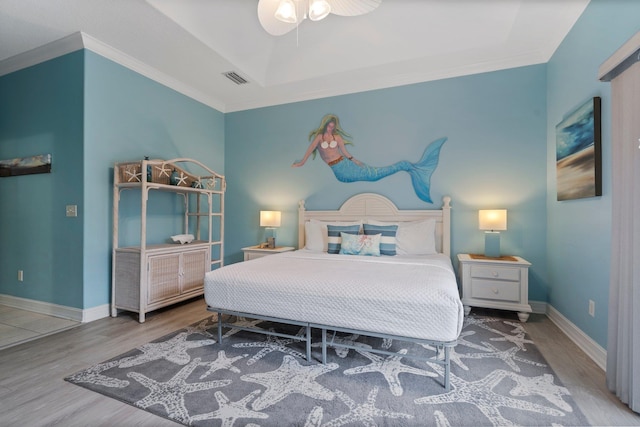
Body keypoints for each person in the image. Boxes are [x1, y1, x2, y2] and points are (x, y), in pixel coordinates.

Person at [292, 114, 447, 203]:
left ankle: (405, 165)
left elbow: (345, 152)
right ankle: (405, 165)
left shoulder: (337, 138)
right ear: (325, 125)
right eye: (329, 126)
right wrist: (302, 162)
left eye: (333, 126)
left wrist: (355, 160)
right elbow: (310, 149)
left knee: (374, 175)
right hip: (339, 172)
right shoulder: (319, 137)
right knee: (373, 176)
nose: (331, 128)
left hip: (346, 164)